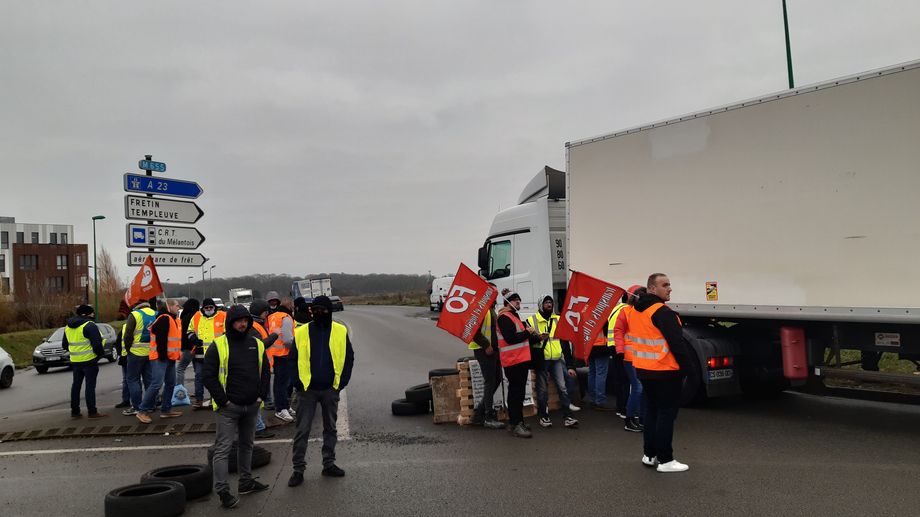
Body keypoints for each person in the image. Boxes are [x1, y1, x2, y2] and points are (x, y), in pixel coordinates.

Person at [202, 305, 272, 509]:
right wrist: (223, 401)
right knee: (222, 450)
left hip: (252, 406)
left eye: (245, 321)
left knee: (247, 445)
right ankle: (223, 491)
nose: (243, 324)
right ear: (230, 322)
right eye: (238, 321)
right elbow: (208, 376)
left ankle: (246, 482)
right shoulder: (218, 345)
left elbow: (265, 372)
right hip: (228, 408)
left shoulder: (256, 344)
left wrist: (261, 396)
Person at [628, 273, 693, 473]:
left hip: (644, 371)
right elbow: (677, 345)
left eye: (670, 285)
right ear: (652, 289)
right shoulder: (663, 312)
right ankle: (666, 460)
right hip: (665, 372)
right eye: (665, 285)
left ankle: (649, 454)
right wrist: (688, 370)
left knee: (652, 413)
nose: (669, 288)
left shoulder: (635, 311)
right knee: (666, 415)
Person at [288, 296, 355, 487]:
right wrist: (297, 383)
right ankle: (298, 469)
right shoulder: (301, 332)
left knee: (330, 429)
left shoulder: (340, 331)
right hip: (307, 390)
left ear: (330, 311)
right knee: (302, 431)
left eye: (323, 310)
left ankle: (329, 463)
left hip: (330, 389)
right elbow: (292, 359)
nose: (319, 313)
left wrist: (341, 383)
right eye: (315, 310)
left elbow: (349, 358)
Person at [528, 296, 578, 429]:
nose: (549, 304)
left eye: (550, 302)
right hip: (542, 360)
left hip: (556, 359)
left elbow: (564, 343)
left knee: (562, 387)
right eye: (546, 302)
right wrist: (537, 338)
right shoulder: (531, 320)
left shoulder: (558, 319)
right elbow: (527, 342)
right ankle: (544, 416)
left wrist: (570, 365)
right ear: (541, 305)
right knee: (542, 389)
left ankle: (568, 416)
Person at [496, 292, 538, 438]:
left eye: (519, 300)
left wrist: (536, 337)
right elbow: (511, 338)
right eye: (516, 301)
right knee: (515, 393)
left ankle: (517, 421)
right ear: (508, 302)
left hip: (520, 359)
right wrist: (527, 332)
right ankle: (515, 423)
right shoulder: (504, 317)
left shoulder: (514, 316)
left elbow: (521, 338)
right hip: (512, 361)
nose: (519, 303)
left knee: (518, 394)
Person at [136, 299, 183, 423]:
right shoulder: (164, 319)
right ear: (170, 306)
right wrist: (163, 355)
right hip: (161, 357)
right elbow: (160, 339)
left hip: (169, 357)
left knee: (171, 382)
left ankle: (166, 410)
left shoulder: (172, 319)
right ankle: (142, 411)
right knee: (157, 383)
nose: (179, 307)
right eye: (177, 306)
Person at [468, 286, 505, 430]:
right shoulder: (481, 309)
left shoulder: (491, 309)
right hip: (484, 350)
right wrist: (486, 345)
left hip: (493, 350)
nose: (495, 294)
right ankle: (488, 417)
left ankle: (478, 414)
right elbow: (474, 331)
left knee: (496, 379)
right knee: (490, 381)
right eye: (493, 291)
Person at [63, 304, 108, 419]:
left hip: (75, 361)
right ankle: (92, 412)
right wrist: (99, 356)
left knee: (76, 386)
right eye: (92, 313)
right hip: (89, 361)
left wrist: (75, 353)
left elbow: (64, 345)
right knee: (90, 387)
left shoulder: (68, 327)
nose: (94, 315)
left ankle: (75, 412)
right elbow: (97, 344)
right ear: (88, 314)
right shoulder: (90, 325)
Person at [615, 285, 647, 432]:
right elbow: (618, 331)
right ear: (632, 296)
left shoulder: (646, 311)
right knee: (638, 388)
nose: (641, 297)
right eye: (639, 294)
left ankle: (640, 418)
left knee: (642, 388)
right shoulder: (625, 311)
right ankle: (629, 419)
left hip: (643, 356)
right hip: (630, 356)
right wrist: (620, 350)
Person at [249, 299, 279, 439]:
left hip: (261, 366)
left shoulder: (257, 324)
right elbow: (259, 345)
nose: (267, 314)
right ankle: (258, 428)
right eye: (266, 312)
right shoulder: (254, 326)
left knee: (257, 399)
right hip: (256, 367)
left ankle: (259, 426)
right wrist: (274, 336)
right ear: (262, 312)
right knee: (254, 400)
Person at [188, 298, 227, 408]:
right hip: (200, 353)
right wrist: (194, 339)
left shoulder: (223, 316)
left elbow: (227, 332)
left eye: (211, 307)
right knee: (199, 377)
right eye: (207, 308)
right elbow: (189, 331)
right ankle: (198, 401)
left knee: (215, 378)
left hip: (217, 353)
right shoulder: (196, 317)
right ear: (203, 308)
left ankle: (214, 400)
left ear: (214, 307)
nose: (209, 309)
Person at [265, 291, 296, 423]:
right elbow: (288, 340)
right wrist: (295, 349)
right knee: (283, 383)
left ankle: (284, 406)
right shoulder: (286, 318)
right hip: (284, 354)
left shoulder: (273, 316)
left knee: (279, 383)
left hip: (275, 355)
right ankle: (281, 408)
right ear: (290, 307)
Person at [122, 300, 157, 416]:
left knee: (133, 380)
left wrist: (128, 350)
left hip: (136, 352)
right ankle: (150, 405)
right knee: (149, 380)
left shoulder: (135, 315)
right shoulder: (155, 314)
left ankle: (137, 407)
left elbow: (128, 335)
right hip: (151, 352)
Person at [175, 298, 204, 407]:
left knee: (180, 369)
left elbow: (184, 334)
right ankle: (198, 393)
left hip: (188, 348)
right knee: (198, 372)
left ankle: (179, 392)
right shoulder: (198, 316)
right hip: (197, 347)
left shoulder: (185, 317)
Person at [607, 296, 631, 419]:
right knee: (625, 380)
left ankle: (619, 408)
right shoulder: (627, 310)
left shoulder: (616, 309)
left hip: (612, 346)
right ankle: (624, 409)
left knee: (619, 380)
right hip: (620, 348)